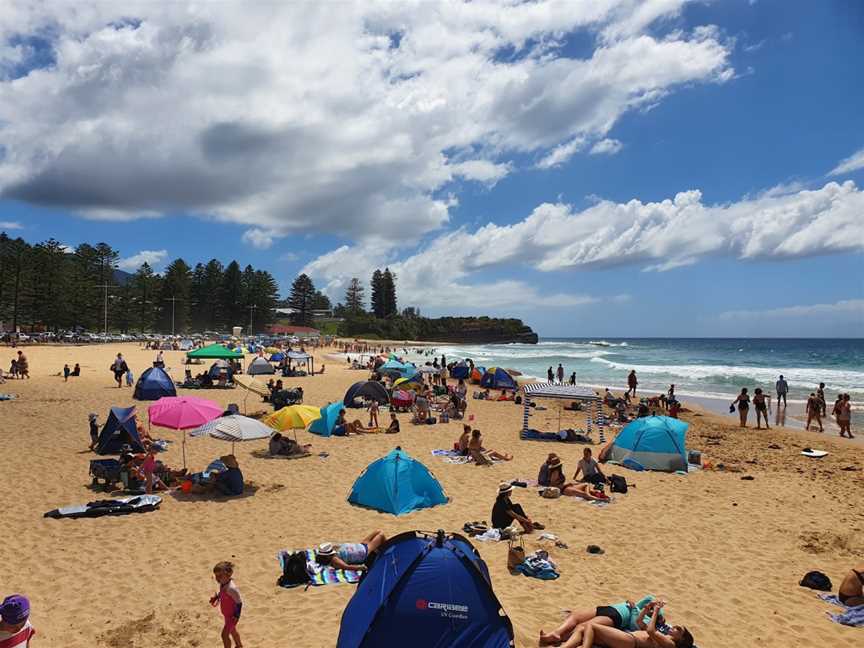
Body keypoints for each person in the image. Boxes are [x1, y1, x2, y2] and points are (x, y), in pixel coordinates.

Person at [539, 595, 658, 647]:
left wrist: (644, 611)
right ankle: (556, 633)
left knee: (584, 627)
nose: (649, 608)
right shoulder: (638, 606)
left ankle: (565, 640)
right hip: (609, 608)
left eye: (651, 610)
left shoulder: (644, 620)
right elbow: (649, 598)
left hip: (617, 617)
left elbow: (634, 623)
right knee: (575, 616)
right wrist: (637, 603)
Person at [577, 603, 693, 648]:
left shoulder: (671, 644)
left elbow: (650, 631)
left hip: (629, 641)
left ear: (681, 638)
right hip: (626, 638)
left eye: (678, 629)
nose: (674, 627)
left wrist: (656, 611)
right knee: (583, 630)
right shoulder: (662, 636)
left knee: (591, 626)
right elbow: (639, 622)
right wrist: (646, 609)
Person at [314, 531, 388, 572]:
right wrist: (360, 568)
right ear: (328, 556)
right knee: (381, 535)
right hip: (363, 552)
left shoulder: (332, 553)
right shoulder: (335, 560)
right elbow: (347, 567)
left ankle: (378, 550)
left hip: (361, 545)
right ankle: (387, 550)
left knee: (377, 531)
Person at [210, 561, 243, 648]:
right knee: (232, 631)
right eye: (216, 576)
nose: (217, 578)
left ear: (228, 575)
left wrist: (236, 616)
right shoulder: (223, 583)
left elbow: (239, 603)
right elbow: (222, 592)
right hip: (227, 614)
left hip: (232, 616)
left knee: (224, 635)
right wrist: (216, 597)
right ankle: (239, 645)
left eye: (220, 576)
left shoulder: (232, 588)